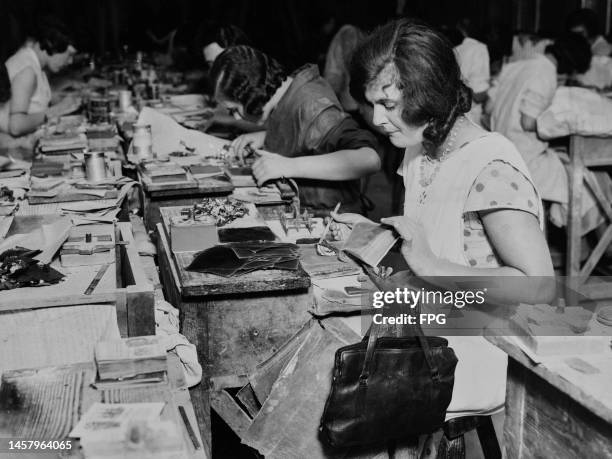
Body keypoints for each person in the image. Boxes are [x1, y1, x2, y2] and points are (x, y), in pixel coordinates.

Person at [333, 19, 555, 447]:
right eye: (372, 103)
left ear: (429, 93)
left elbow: (538, 286)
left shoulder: (490, 168)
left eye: (390, 104)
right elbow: (428, 245)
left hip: (475, 356)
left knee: (332, 388)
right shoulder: (421, 148)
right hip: (434, 334)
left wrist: (431, 267)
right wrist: (370, 241)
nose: (378, 119)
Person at [210, 45, 381, 213]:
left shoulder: (312, 105)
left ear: (250, 94)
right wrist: (266, 135)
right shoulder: (289, 91)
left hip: (333, 220)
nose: (236, 118)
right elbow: (306, 135)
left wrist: (288, 165)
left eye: (234, 110)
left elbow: (369, 159)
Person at [486, 33, 606, 234]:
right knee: (587, 183)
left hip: (500, 153)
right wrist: (560, 124)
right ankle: (588, 255)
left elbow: (489, 109)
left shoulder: (518, 64)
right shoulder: (546, 72)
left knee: (571, 169)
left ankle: (586, 254)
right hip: (525, 160)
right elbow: (528, 121)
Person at [0, 16, 79, 144]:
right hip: (12, 151)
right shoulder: (28, 70)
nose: (70, 61)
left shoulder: (35, 64)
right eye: (69, 54)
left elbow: (34, 100)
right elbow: (16, 126)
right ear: (53, 45)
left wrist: (62, 99)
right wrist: (55, 111)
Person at [451, 19, 491, 125]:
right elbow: (479, 94)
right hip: (471, 117)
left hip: (452, 115)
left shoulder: (454, 50)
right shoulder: (479, 49)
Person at [323, 24, 365, 112]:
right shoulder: (348, 32)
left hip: (356, 102)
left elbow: (333, 74)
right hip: (351, 102)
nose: (349, 46)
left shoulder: (347, 32)